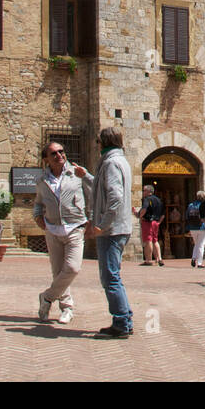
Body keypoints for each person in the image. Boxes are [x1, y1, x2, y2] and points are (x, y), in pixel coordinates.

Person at [33, 138, 93, 324]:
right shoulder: (42, 180)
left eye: (61, 151)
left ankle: (47, 297)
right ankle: (66, 308)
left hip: (75, 227)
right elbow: (38, 202)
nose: (60, 155)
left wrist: (90, 219)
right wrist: (37, 217)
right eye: (54, 153)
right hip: (52, 229)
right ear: (46, 159)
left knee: (73, 268)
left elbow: (94, 191)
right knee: (58, 272)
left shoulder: (76, 173)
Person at [88, 126, 133, 337]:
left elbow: (115, 197)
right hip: (119, 227)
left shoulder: (110, 163)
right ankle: (124, 318)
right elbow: (104, 189)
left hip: (112, 230)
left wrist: (102, 224)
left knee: (110, 277)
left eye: (98, 142)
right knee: (113, 274)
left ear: (103, 143)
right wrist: (86, 176)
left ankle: (121, 323)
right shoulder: (120, 161)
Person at [133, 184, 165, 266]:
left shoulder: (147, 199)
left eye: (144, 190)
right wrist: (159, 222)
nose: (143, 192)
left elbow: (144, 209)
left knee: (148, 240)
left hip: (148, 222)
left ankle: (148, 260)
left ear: (148, 191)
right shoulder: (158, 200)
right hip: (156, 222)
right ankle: (159, 258)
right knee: (155, 240)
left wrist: (139, 216)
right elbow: (163, 214)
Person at [187, 190, 205, 267]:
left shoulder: (191, 205)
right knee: (201, 244)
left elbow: (187, 216)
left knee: (197, 243)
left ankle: (194, 258)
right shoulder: (204, 205)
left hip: (192, 227)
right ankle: (200, 263)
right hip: (202, 227)